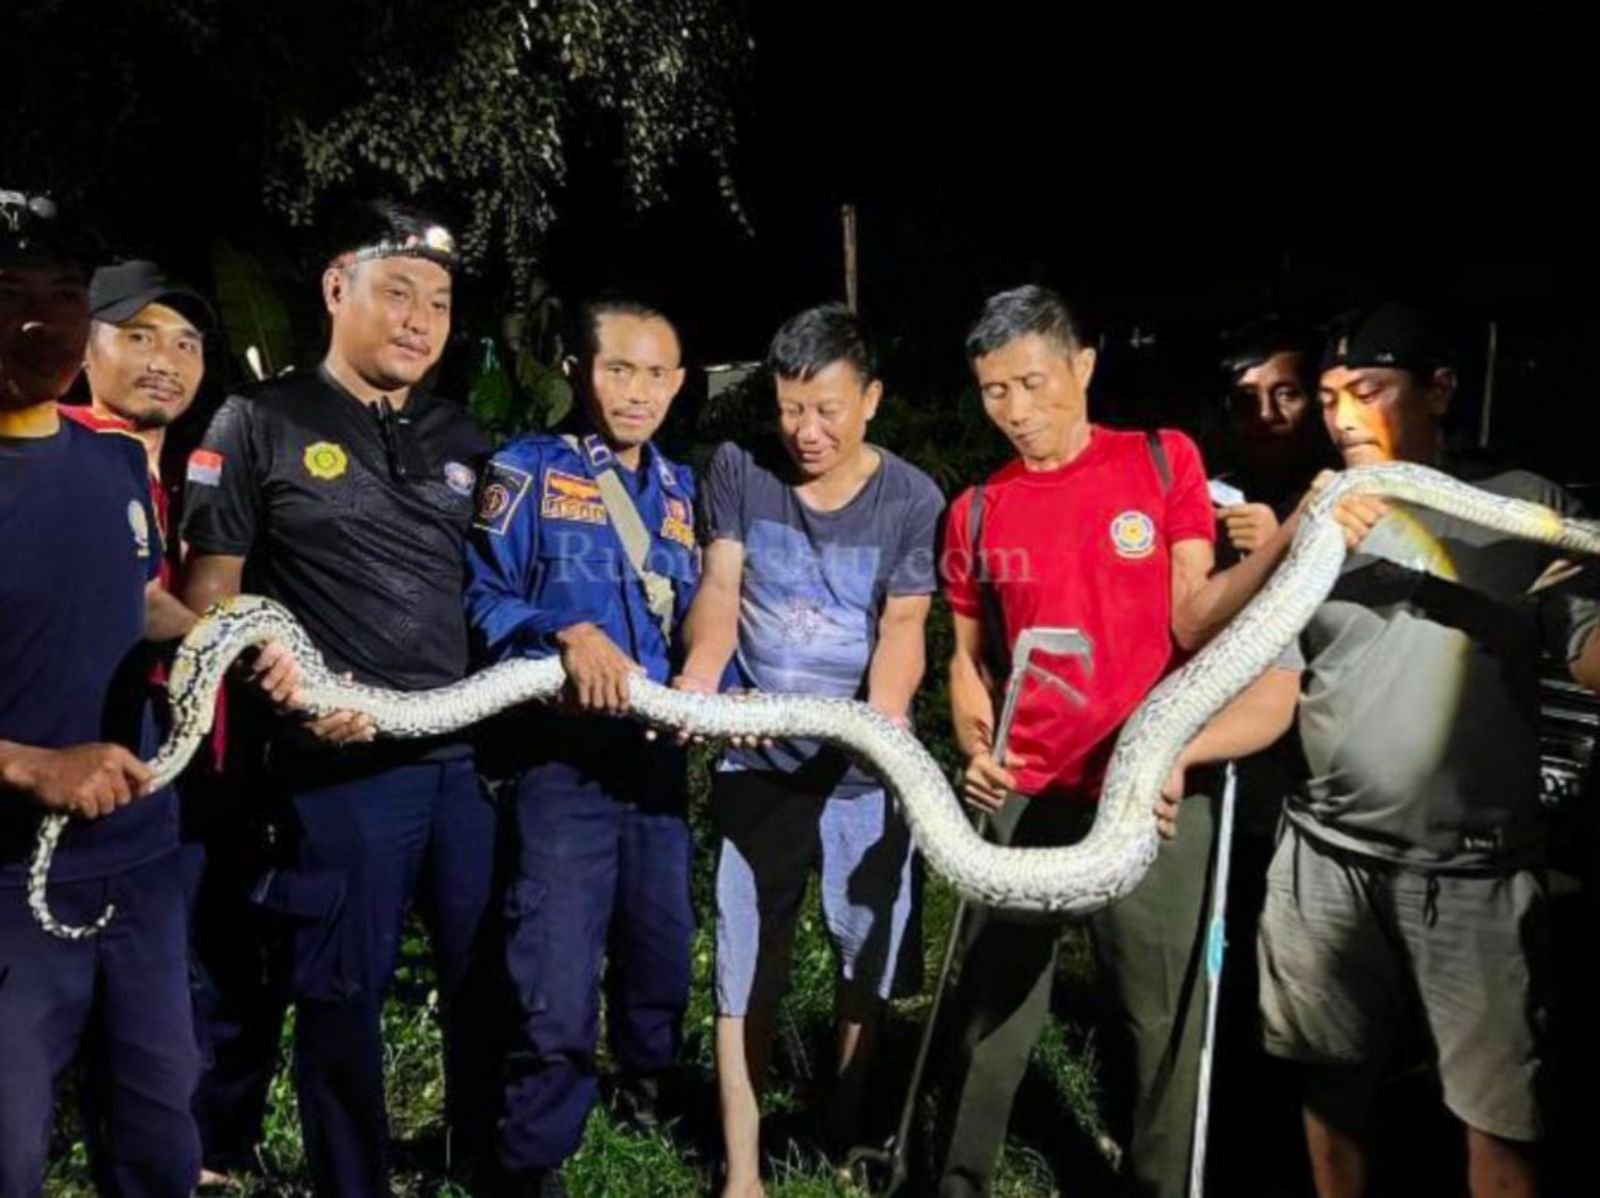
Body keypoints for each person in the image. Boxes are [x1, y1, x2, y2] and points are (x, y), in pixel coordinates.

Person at [933, 284, 1306, 1198]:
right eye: (994, 391)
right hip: (1028, 792)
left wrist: (1293, 538)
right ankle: (952, 1179)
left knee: (1161, 1019)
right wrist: (973, 743)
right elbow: (968, 659)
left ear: (1083, 366)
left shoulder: (1157, 460)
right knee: (990, 1007)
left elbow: (1194, 615)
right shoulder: (978, 510)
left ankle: (1158, 1184)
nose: (1016, 412)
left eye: (1032, 383)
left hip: (1150, 794)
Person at [1244, 303, 1600, 1198]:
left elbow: (1589, 653)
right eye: (1329, 397)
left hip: (1474, 874)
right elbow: (1274, 689)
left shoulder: (1523, 505)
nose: (1342, 417)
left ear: (1439, 390)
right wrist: (1168, 756)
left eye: (1369, 391)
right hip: (1327, 860)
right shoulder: (1322, 517)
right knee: (1332, 1087)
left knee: (1499, 1117)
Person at [180, 202, 498, 1197]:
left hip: (464, 763)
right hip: (341, 768)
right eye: (395, 291)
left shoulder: (467, 436)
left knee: (486, 982)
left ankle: (489, 1168)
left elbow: (493, 587)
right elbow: (207, 604)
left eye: (438, 302)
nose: (418, 319)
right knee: (340, 998)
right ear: (335, 288)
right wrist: (280, 677)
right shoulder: (258, 421)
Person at [673, 303, 943, 1198]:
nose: (807, 431)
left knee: (866, 955)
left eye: (828, 409)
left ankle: (843, 1117)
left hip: (864, 771)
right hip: (758, 759)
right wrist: (704, 684)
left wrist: (887, 718)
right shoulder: (740, 470)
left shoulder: (912, 497)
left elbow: (905, 625)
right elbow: (719, 584)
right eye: (791, 408)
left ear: (870, 399)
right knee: (748, 961)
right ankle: (743, 1173)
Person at [464, 295, 698, 1198]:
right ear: (577, 372)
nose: (636, 391)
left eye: (654, 374)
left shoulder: (681, 491)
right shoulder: (526, 471)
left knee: (662, 952)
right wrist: (560, 632)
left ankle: (644, 1091)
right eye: (617, 369)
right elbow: (482, 602)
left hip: (654, 764)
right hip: (560, 764)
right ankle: (530, 1157)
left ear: (678, 384)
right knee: (554, 975)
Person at [0, 188, 208, 1198]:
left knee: (159, 1132)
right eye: (9, 298)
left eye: (57, 296)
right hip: (8, 883)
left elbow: (127, 598)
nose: (35, 321)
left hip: (139, 863)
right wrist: (29, 762)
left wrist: (231, 636)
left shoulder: (114, 462)